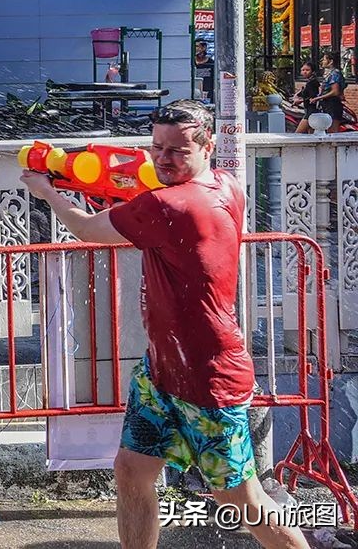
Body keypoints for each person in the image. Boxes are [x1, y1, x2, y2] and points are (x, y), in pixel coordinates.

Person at [20, 100, 307, 549]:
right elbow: (149, 199)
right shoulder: (226, 185)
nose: (163, 159)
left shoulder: (168, 205)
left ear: (208, 145)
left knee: (244, 501)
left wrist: (49, 191)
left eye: (178, 150)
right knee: (132, 471)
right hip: (162, 369)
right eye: (157, 148)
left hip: (208, 379)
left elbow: (87, 230)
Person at [312, 50, 345, 133]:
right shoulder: (330, 73)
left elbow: (335, 92)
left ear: (331, 61)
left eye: (324, 59)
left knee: (332, 131)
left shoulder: (335, 74)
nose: (322, 61)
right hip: (327, 104)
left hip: (332, 104)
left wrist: (318, 98)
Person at [292, 60, 321, 134]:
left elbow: (313, 97)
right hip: (309, 110)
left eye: (307, 70)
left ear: (312, 71)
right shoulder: (310, 82)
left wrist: (300, 101)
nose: (305, 72)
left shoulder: (312, 82)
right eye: (303, 70)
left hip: (311, 111)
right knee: (311, 135)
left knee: (297, 134)